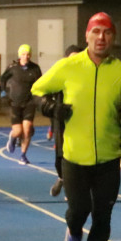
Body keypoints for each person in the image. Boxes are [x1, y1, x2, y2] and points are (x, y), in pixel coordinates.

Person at [31, 12, 121, 241]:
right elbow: (37, 90)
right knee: (79, 209)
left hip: (108, 158)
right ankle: (72, 232)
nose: (101, 37)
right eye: (96, 32)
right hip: (75, 157)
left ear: (113, 38)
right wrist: (50, 108)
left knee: (102, 217)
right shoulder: (69, 66)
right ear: (87, 36)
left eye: (106, 32)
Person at [40, 44, 84, 197]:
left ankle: (72, 189)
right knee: (60, 156)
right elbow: (42, 95)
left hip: (81, 122)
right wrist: (52, 107)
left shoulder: (88, 76)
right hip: (61, 121)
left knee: (77, 157)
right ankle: (61, 177)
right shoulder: (59, 74)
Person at [0, 44, 42, 165]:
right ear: (19, 55)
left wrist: (40, 97)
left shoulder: (35, 68)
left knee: (27, 130)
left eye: (28, 54)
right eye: (23, 54)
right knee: (18, 131)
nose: (26, 56)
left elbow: (40, 83)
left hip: (29, 102)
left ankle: (23, 155)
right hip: (15, 103)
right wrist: (3, 91)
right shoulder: (12, 67)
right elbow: (3, 78)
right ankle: (13, 138)